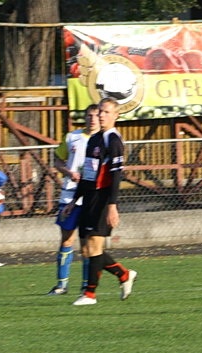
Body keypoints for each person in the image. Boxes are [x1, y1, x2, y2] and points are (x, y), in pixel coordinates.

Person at [71, 98, 138, 305]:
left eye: (106, 112)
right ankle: (124, 274)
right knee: (86, 248)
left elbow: (117, 175)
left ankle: (89, 294)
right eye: (100, 111)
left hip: (103, 197)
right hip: (90, 197)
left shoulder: (113, 140)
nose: (101, 115)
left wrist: (112, 205)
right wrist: (75, 200)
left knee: (95, 246)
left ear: (116, 115)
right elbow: (88, 174)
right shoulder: (94, 140)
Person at [48, 104, 100, 295]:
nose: (92, 119)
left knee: (88, 243)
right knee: (66, 239)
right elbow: (57, 160)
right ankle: (61, 285)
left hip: (91, 197)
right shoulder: (72, 137)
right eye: (89, 115)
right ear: (84, 117)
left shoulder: (103, 139)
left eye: (96, 115)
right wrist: (69, 172)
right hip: (69, 193)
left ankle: (86, 286)